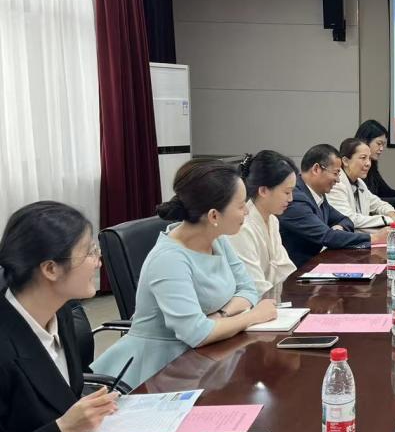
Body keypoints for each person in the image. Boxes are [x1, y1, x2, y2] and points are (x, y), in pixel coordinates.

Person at [93, 159, 278, 391]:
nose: (247, 211)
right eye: (241, 206)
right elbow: (197, 334)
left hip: (207, 357)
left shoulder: (217, 239)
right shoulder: (169, 259)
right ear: (213, 216)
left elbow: (248, 290)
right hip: (160, 370)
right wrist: (253, 316)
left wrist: (220, 316)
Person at [0, 202, 120, 432]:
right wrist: (62, 427)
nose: (98, 261)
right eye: (89, 252)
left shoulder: (61, 311)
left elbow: (62, 397)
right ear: (51, 269)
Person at [279, 144, 386, 268]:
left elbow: (345, 220)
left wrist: (339, 227)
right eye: (335, 173)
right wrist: (374, 238)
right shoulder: (295, 199)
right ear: (316, 169)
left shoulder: (318, 194)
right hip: (298, 272)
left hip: (317, 265)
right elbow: (326, 236)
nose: (338, 180)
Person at [229, 151, 298, 295]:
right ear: (263, 190)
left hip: (273, 298)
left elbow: (284, 268)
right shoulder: (242, 227)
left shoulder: (272, 220)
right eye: (287, 192)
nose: (291, 199)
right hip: (254, 302)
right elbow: (254, 285)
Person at [328, 138, 395, 230]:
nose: (368, 163)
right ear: (345, 161)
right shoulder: (335, 184)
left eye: (369, 158)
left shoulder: (359, 182)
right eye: (363, 158)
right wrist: (389, 219)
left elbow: (378, 204)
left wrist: (392, 213)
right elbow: (349, 219)